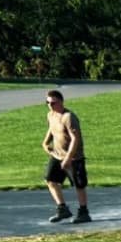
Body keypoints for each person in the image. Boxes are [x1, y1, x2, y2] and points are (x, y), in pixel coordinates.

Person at [41, 89, 90, 224]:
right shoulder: (50, 115)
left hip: (74, 157)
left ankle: (84, 212)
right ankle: (62, 209)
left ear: (61, 102)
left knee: (79, 185)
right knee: (50, 180)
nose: (50, 105)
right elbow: (51, 129)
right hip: (57, 155)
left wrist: (69, 157)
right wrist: (45, 142)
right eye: (48, 102)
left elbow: (75, 138)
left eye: (53, 103)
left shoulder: (68, 117)